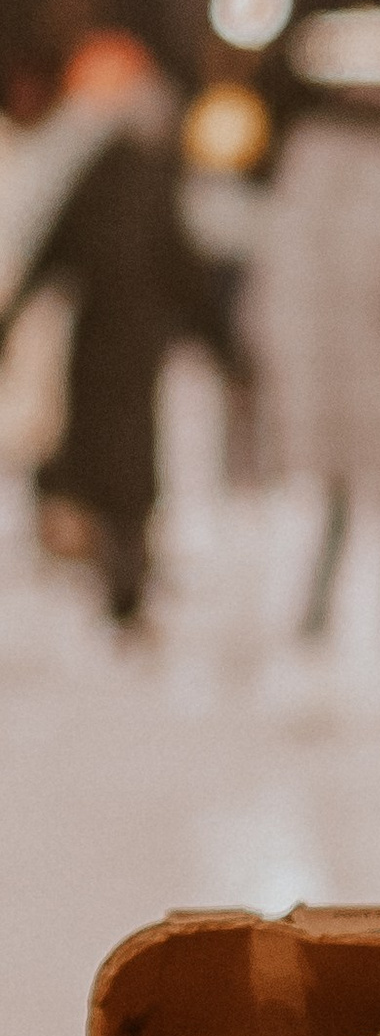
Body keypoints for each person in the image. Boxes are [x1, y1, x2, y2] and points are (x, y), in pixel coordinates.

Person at [3, 33, 216, 630]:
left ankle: (114, 569)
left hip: (99, 335)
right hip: (134, 339)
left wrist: (12, 316)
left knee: (95, 451)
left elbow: (51, 250)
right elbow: (180, 259)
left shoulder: (90, 172)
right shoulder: (148, 172)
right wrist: (216, 336)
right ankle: (125, 573)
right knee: (128, 457)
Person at [243, 89, 380, 641]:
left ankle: (315, 614)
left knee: (335, 496)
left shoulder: (297, 185)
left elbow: (267, 289)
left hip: (318, 377)